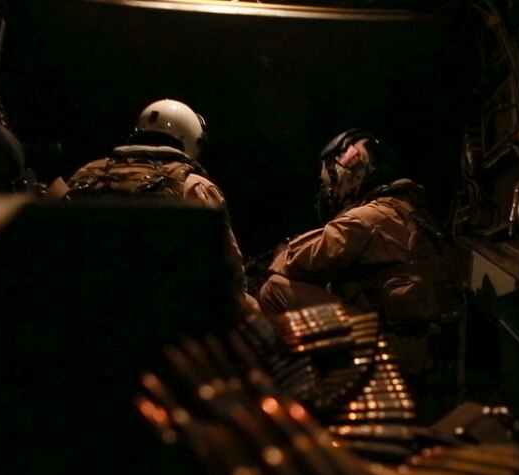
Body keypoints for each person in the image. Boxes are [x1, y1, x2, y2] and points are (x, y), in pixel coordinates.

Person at [258, 129, 464, 398]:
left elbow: (295, 264)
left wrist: (283, 251)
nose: (328, 191)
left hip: (397, 351)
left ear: (349, 174)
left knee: (273, 289)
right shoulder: (411, 210)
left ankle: (306, 392)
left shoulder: (365, 219)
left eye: (329, 181)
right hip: (427, 351)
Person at [63, 98, 259, 314]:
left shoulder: (86, 173)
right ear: (192, 139)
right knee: (251, 308)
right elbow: (228, 263)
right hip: (163, 307)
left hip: (84, 301)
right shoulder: (194, 185)